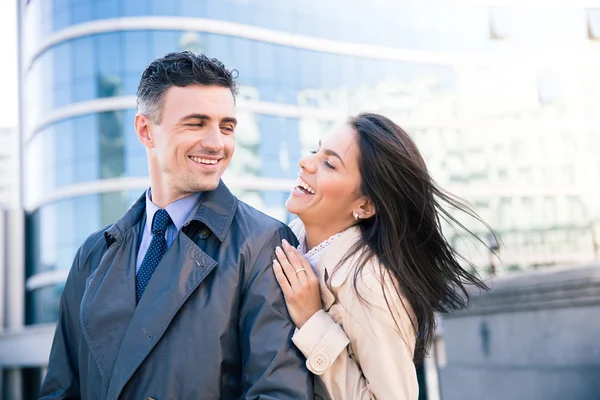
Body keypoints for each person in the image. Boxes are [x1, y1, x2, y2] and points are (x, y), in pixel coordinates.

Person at [40, 51, 313, 399]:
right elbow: (61, 389)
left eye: (226, 127)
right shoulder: (94, 254)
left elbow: (278, 393)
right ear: (145, 130)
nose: (217, 143)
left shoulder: (263, 243)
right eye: (196, 123)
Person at [273, 113, 491, 399]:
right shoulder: (290, 238)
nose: (306, 161)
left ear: (364, 205)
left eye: (329, 163)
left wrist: (313, 320)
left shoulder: (370, 283)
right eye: (316, 150)